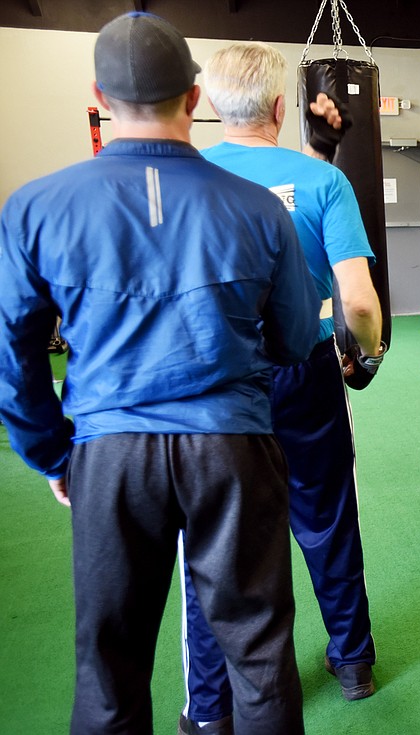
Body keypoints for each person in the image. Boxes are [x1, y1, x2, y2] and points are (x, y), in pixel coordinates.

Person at [0, 12, 319, 734]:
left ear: (97, 95)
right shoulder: (260, 209)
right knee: (259, 652)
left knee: (108, 665)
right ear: (196, 95)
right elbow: (298, 338)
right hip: (232, 449)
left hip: (109, 456)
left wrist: (53, 453)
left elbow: (12, 355)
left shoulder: (34, 208)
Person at [174, 42, 386, 733]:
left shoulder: (182, 177)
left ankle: (213, 703)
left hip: (215, 375)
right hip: (304, 365)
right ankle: (353, 659)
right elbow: (357, 301)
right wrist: (369, 353)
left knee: (216, 537)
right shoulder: (321, 180)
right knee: (324, 513)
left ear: (204, 105)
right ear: (278, 107)